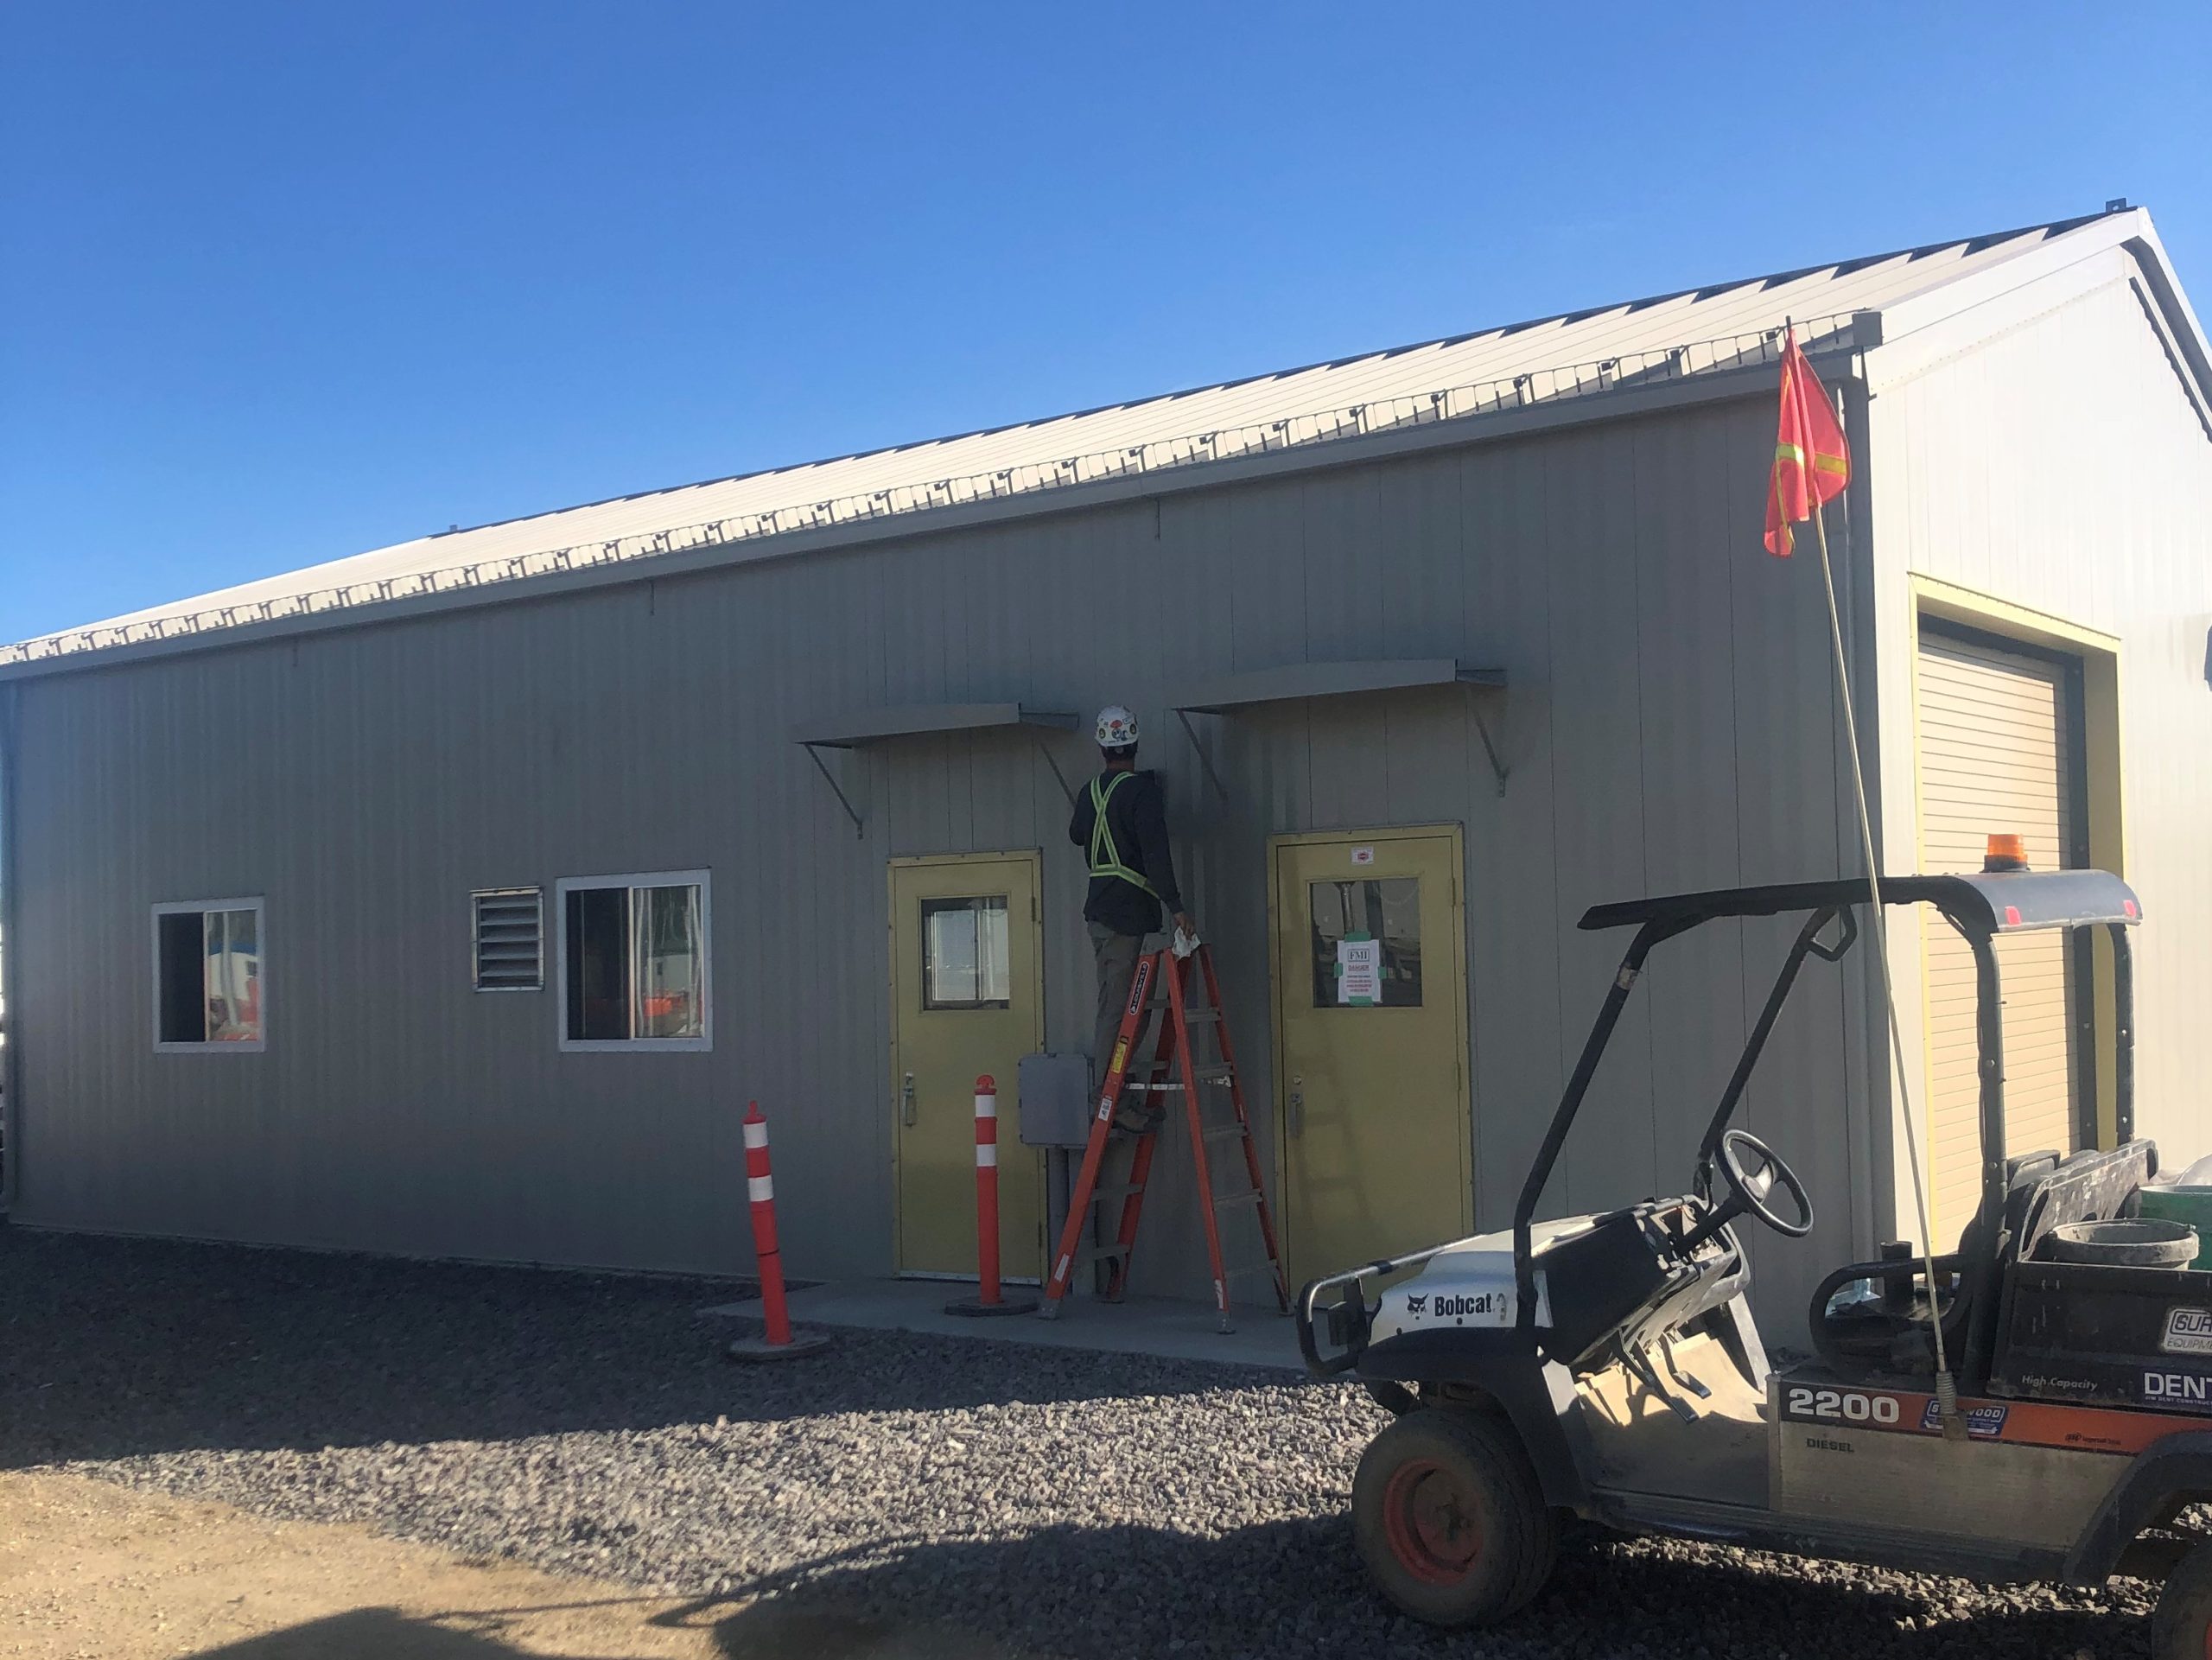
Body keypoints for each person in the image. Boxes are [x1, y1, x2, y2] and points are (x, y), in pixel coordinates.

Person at [1067, 705, 1195, 1130]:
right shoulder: (1141, 793)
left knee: (1112, 1003)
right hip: (1126, 913)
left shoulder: (1091, 792)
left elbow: (1077, 833)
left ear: (1102, 748)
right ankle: (1110, 1099)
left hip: (1099, 910)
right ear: (1135, 744)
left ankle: (1113, 1088)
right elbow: (1156, 853)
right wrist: (1176, 906)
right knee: (1120, 1009)